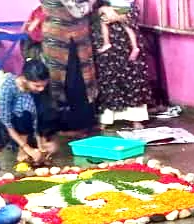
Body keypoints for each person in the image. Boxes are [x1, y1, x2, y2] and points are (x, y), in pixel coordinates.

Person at [40, 0, 98, 133]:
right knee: (69, 80)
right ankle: (70, 126)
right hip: (62, 36)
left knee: (75, 79)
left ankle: (78, 125)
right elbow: (78, 11)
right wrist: (92, 2)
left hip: (72, 36)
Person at [93, 0, 149, 129]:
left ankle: (136, 119)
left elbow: (133, 15)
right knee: (108, 80)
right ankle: (106, 119)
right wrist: (102, 10)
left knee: (133, 81)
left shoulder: (128, 4)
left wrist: (117, 17)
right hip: (108, 51)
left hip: (127, 46)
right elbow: (91, 14)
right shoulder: (100, 3)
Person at [0, 59, 60, 164]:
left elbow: (39, 115)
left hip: (33, 129)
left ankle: (41, 144)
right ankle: (22, 150)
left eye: (43, 85)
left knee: (48, 108)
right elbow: (6, 122)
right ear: (24, 79)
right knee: (24, 114)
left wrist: (41, 143)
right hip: (14, 130)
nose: (41, 89)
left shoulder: (39, 89)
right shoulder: (9, 86)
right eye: (37, 86)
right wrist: (26, 148)